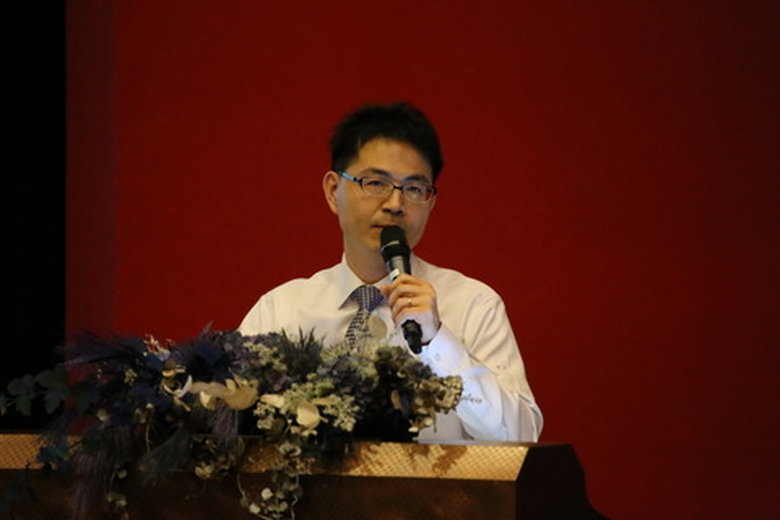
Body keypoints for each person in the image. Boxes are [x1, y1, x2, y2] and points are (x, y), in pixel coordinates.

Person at [239, 102, 542, 442]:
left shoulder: (473, 304)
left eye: (414, 189)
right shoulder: (281, 310)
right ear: (333, 191)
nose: (395, 204)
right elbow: (227, 427)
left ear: (430, 202)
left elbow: (521, 437)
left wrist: (438, 342)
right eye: (376, 183)